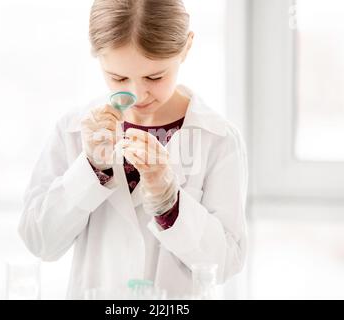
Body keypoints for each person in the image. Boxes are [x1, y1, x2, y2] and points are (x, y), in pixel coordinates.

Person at [18, 0, 248, 299]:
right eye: (118, 78)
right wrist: (91, 169)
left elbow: (225, 264)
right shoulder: (73, 130)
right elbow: (40, 241)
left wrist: (169, 202)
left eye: (155, 77)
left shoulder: (218, 139)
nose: (137, 95)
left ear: (186, 47)